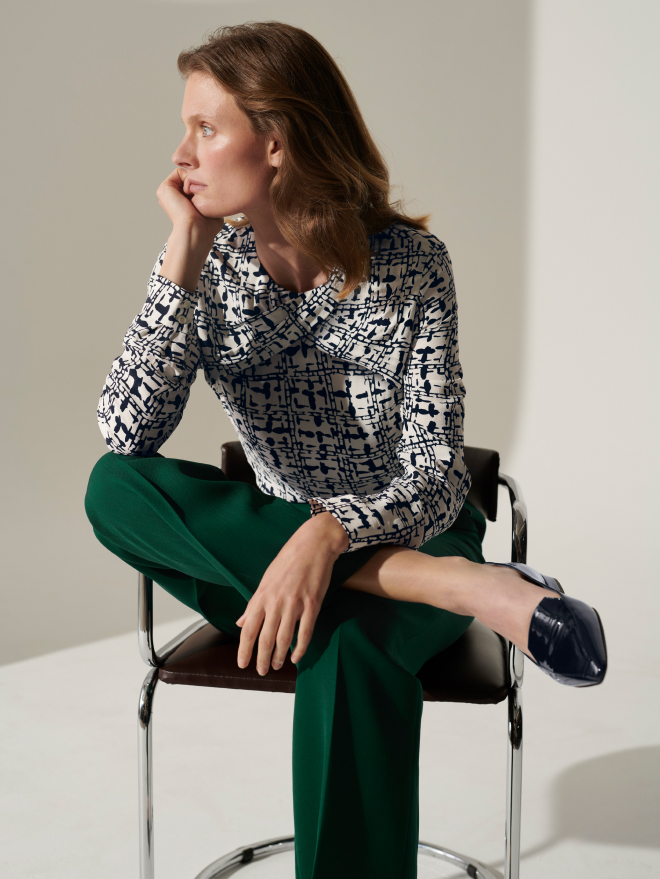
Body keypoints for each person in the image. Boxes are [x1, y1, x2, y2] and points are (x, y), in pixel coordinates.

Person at [84, 21, 606, 879]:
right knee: (113, 487)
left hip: (410, 529)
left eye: (206, 128)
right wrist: (181, 254)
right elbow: (125, 435)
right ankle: (469, 589)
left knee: (354, 645)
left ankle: (431, 573)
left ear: (277, 141)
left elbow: (440, 473)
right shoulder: (207, 270)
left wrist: (331, 533)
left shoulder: (410, 267)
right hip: (271, 558)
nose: (182, 152)